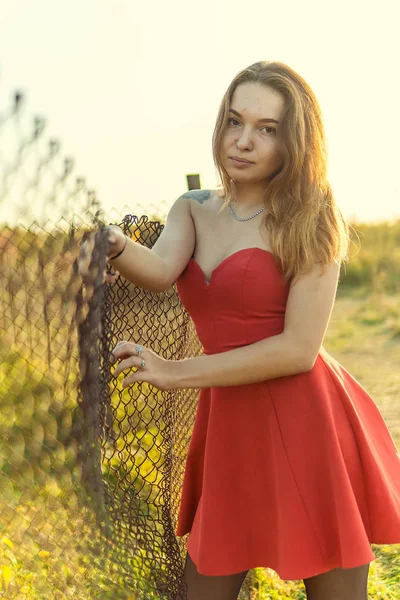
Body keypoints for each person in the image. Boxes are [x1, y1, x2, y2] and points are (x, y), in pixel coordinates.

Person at [79, 61, 400, 600]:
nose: (243, 141)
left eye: (266, 129)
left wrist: (175, 372)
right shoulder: (194, 209)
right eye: (234, 121)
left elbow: (299, 350)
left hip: (309, 422)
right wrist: (114, 243)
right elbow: (159, 271)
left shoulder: (313, 216)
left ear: (294, 142)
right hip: (232, 422)